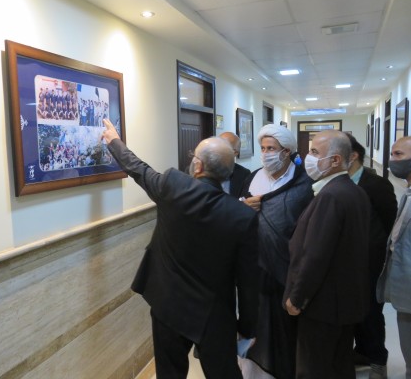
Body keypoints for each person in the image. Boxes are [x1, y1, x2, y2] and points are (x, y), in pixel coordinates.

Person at [101, 119, 260, 379]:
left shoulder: (173, 186)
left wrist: (114, 141)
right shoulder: (243, 216)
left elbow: (139, 170)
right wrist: (247, 327)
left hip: (168, 304)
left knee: (169, 373)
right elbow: (249, 280)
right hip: (214, 313)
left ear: (198, 165)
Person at [283, 129, 370, 378]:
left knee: (314, 368)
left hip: (323, 305)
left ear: (335, 160)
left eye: (314, 152)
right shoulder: (352, 190)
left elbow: (315, 255)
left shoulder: (331, 196)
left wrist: (297, 298)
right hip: (342, 302)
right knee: (338, 365)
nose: (308, 158)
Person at [239, 124, 313, 379]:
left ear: (286, 151)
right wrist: (244, 208)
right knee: (258, 321)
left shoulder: (304, 182)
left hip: (288, 267)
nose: (265, 153)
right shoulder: (252, 178)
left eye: (271, 148)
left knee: (286, 324)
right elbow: (235, 214)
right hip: (256, 266)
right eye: (262, 148)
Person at [345, 133, 397, 379]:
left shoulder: (376, 184)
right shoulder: (334, 183)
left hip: (369, 261)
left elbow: (389, 223)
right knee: (350, 310)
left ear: (353, 155)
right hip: (343, 261)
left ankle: (377, 360)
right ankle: (361, 352)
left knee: (370, 313)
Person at [377, 136, 411, 379]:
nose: (392, 160)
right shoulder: (410, 191)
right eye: (392, 154)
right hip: (405, 291)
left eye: (398, 155)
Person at [219, 132, 251, 197]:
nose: (218, 150)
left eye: (223, 147)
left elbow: (244, 199)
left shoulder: (244, 174)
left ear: (235, 153)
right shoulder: (205, 170)